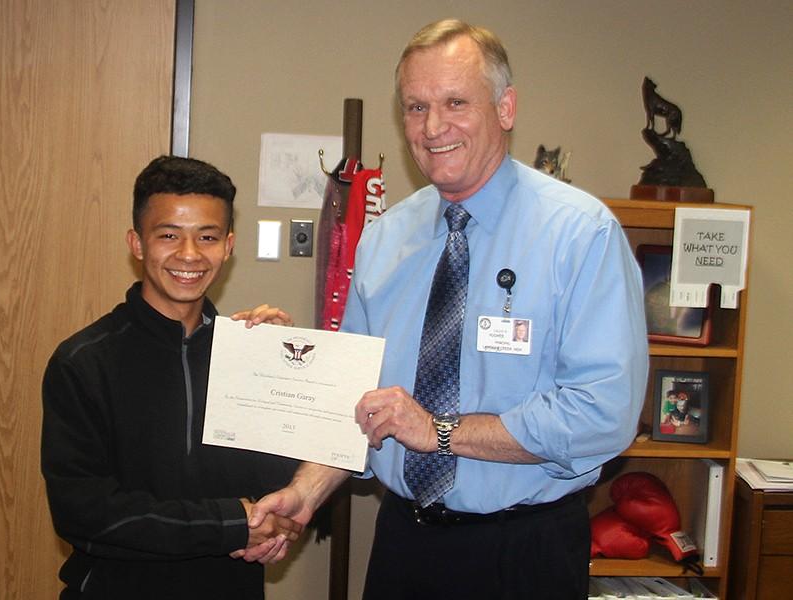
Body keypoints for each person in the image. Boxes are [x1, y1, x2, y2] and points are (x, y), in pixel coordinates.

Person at [246, 19, 649, 599]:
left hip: (524, 550)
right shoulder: (386, 241)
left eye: (455, 102)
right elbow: (359, 404)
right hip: (405, 546)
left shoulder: (579, 235)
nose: (433, 127)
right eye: (415, 107)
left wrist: (437, 431)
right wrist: (305, 495)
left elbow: (602, 415)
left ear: (505, 107)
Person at [41, 155, 302, 600]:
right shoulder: (83, 362)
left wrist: (286, 375)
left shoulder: (246, 353)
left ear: (229, 245)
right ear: (137, 244)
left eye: (207, 237)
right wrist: (228, 525)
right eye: (168, 235)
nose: (189, 255)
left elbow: (279, 490)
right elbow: (84, 512)